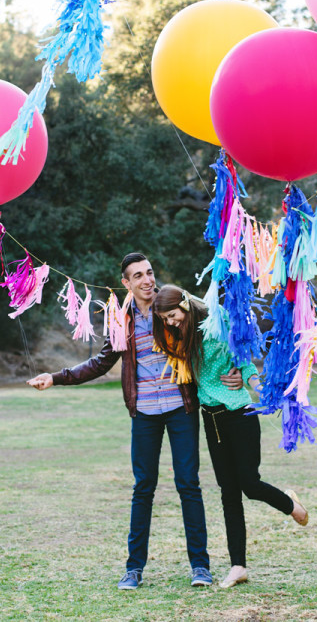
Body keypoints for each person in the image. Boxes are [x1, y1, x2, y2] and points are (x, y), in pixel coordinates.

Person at [27, 253, 214, 591]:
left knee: (189, 485)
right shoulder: (120, 318)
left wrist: (233, 371)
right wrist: (56, 377)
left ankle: (200, 566)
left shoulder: (171, 306)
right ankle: (133, 569)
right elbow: (101, 363)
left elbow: (211, 336)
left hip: (181, 409)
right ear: (126, 283)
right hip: (143, 413)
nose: (147, 280)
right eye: (138, 276)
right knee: (143, 489)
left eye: (150, 273)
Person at [152, 284, 309, 589]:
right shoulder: (178, 334)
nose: (169, 322)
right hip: (211, 420)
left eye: (172, 315)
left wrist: (255, 383)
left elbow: (245, 357)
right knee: (228, 494)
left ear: (185, 304)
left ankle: (292, 506)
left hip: (239, 415)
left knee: (249, 484)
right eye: (165, 319)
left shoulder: (219, 319)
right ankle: (238, 565)